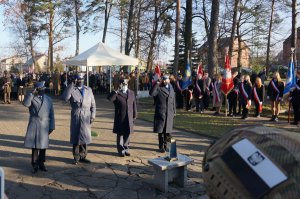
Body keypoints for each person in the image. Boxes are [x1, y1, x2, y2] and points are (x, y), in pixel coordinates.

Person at [61, 73, 96, 165]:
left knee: (84, 136)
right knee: (76, 137)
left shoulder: (89, 90)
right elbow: (64, 98)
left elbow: (93, 104)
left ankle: (83, 156)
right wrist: (70, 86)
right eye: (78, 80)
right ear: (75, 80)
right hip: (76, 115)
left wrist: (93, 116)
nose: (80, 81)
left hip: (86, 116)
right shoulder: (72, 90)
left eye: (81, 79)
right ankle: (76, 157)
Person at [23, 81, 55, 173]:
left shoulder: (48, 99)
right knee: (35, 146)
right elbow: (25, 104)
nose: (42, 91)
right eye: (40, 89)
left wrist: (52, 125)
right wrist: (31, 94)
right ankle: (34, 164)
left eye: (43, 89)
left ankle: (41, 163)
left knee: (43, 146)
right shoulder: (32, 97)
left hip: (45, 124)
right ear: (37, 89)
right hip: (35, 123)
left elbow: (52, 114)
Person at [107, 79, 137, 157]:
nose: (124, 86)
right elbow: (110, 99)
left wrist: (135, 114)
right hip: (120, 116)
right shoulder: (117, 93)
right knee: (120, 134)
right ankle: (121, 150)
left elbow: (134, 105)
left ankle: (126, 148)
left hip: (129, 116)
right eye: (122, 84)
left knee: (127, 133)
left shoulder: (131, 93)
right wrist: (116, 91)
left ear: (127, 84)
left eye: (125, 84)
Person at [149, 75, 176, 153]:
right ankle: (161, 147)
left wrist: (174, 111)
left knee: (168, 131)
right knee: (161, 131)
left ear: (169, 80)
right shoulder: (159, 87)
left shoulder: (171, 87)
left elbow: (173, 100)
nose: (165, 81)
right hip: (161, 112)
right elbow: (151, 93)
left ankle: (167, 146)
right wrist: (156, 84)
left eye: (166, 79)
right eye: (163, 79)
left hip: (170, 112)